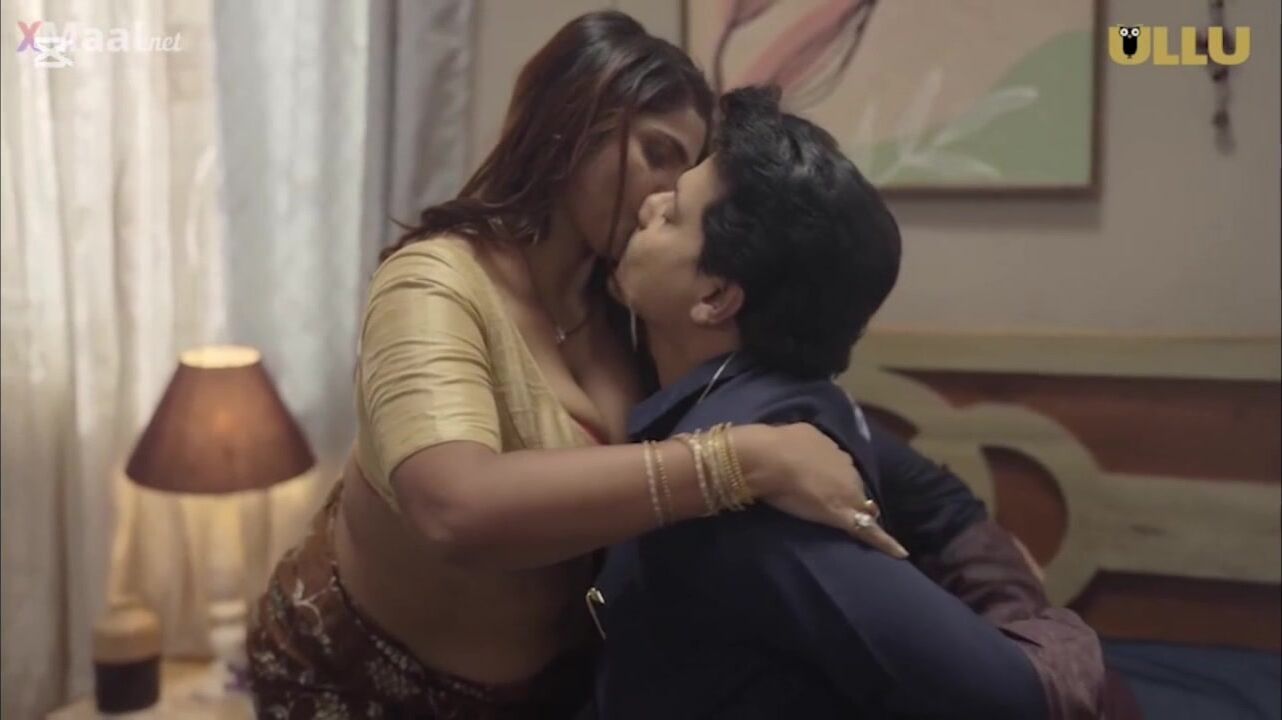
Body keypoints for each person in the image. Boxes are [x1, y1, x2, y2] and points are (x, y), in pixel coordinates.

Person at [246, 13, 900, 719]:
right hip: (359, 678)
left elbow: (783, 403)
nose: (663, 194)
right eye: (656, 152)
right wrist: (743, 461)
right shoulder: (435, 280)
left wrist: (942, 521)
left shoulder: (626, 305)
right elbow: (452, 508)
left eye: (684, 171)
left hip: (554, 692)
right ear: (571, 125)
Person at [593, 85, 1106, 719]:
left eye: (672, 214)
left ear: (716, 297)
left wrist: (1044, 625)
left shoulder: (749, 503)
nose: (647, 205)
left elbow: (1012, 696)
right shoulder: (783, 400)